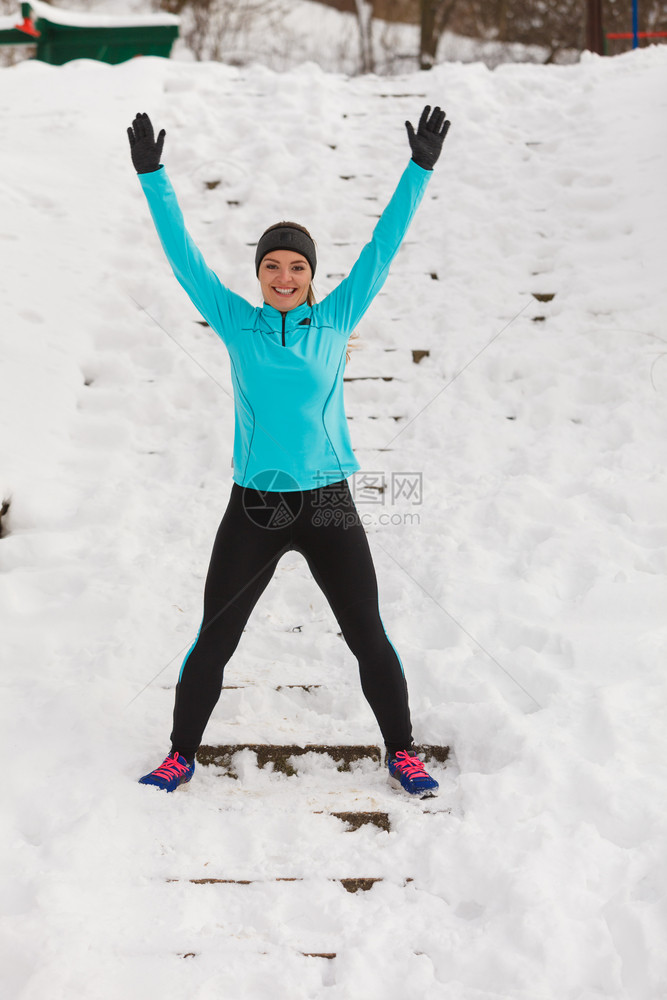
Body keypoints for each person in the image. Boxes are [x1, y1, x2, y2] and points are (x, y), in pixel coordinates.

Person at [128, 104, 450, 798]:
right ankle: (181, 754)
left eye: (295, 265)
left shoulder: (335, 317)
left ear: (310, 273)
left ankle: (402, 752)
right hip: (255, 503)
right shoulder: (236, 323)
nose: (283, 275)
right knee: (216, 635)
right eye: (271, 265)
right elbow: (184, 258)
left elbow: (382, 248)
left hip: (328, 501)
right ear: (259, 272)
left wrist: (418, 168)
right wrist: (154, 177)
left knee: (366, 631)